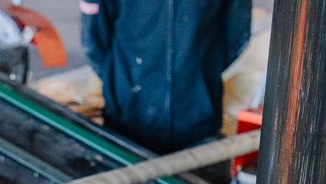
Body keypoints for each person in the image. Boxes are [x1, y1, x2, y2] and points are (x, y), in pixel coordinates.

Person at [80, 0, 253, 153]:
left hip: (198, 125)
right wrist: (121, 80)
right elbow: (95, 41)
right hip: (127, 123)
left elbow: (236, 32)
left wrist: (202, 73)